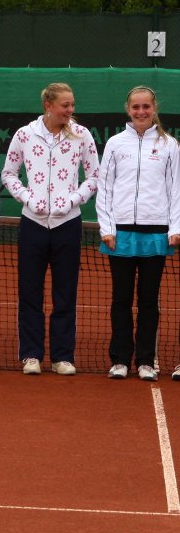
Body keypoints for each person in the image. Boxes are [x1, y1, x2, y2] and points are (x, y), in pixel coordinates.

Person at [2, 82, 99, 376]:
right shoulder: (24, 135)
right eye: (65, 106)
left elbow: (94, 176)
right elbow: (9, 174)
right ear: (48, 105)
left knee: (65, 293)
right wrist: (28, 198)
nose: (71, 110)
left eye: (72, 105)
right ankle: (31, 355)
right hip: (32, 225)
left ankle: (62, 357)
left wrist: (71, 200)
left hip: (67, 225)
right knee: (30, 292)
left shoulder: (82, 135)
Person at [95, 87, 178, 382]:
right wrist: (106, 228)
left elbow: (176, 189)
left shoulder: (170, 145)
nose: (141, 112)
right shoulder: (116, 144)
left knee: (148, 300)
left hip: (156, 233)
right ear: (127, 109)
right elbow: (104, 188)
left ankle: (145, 361)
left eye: (146, 106)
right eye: (136, 107)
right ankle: (119, 360)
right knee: (120, 299)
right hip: (120, 234)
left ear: (154, 107)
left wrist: (175, 228)